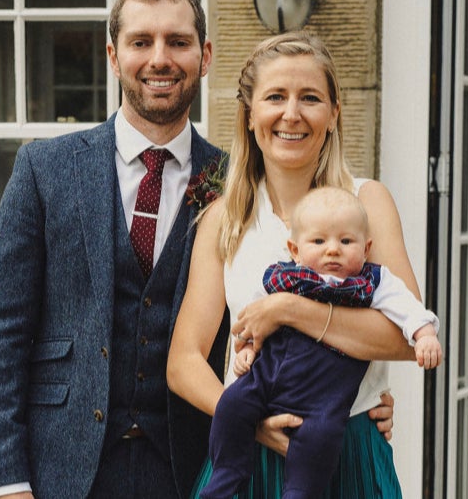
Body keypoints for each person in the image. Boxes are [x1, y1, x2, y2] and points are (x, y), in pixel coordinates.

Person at [0, 0, 230, 499]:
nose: (160, 58)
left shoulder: (235, 181)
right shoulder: (44, 169)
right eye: (141, 42)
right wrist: (5, 481)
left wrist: (357, 401)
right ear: (114, 57)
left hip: (192, 469)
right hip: (63, 469)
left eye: (178, 42)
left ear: (204, 56)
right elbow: (1, 332)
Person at [167, 30, 423, 499]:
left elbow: (406, 336)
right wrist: (250, 419)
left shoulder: (368, 201)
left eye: (310, 97)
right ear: (249, 115)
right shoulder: (225, 218)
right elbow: (183, 361)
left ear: (333, 113)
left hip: (348, 449)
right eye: (275, 97)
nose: (292, 114)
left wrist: (287, 309)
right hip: (246, 457)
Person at [201, 186, 441, 498]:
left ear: (366, 248)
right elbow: (251, 321)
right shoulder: (283, 276)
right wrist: (246, 349)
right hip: (265, 383)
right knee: (232, 405)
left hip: (323, 403)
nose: (332, 250)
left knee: (319, 442)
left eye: (346, 241)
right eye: (318, 241)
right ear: (295, 249)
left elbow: (407, 309)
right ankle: (226, 476)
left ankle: (300, 492)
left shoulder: (372, 282)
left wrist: (424, 334)